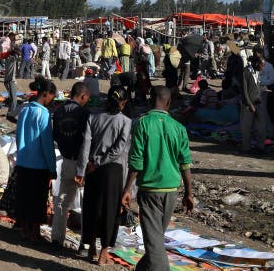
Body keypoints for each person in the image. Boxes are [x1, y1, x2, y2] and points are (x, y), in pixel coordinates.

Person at [122, 86, 194, 271]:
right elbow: (185, 164)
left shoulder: (142, 123)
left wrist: (127, 189)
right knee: (156, 240)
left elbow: (136, 162)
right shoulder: (179, 128)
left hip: (150, 190)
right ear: (169, 103)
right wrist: (189, 193)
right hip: (171, 191)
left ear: (149, 99)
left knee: (154, 243)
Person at [76, 86, 132, 264]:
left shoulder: (93, 117)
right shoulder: (125, 121)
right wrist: (100, 161)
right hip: (112, 171)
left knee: (92, 208)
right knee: (109, 211)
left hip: (93, 169)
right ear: (123, 103)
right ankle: (104, 252)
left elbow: (85, 145)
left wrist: (83, 168)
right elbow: (118, 149)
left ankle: (91, 245)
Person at [14, 76, 57, 243]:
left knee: (25, 198)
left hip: (24, 161)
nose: (52, 100)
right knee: (37, 200)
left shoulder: (25, 110)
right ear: (46, 94)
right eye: (52, 97)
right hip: (38, 165)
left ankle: (24, 230)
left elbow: (18, 136)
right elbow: (46, 144)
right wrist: (52, 167)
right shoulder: (43, 114)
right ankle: (34, 233)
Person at [51, 82, 91, 250]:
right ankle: (85, 244)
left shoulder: (58, 112)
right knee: (84, 204)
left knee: (62, 201)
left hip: (65, 160)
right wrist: (82, 169)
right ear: (82, 96)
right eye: (87, 98)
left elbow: (55, 136)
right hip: (81, 162)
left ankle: (57, 238)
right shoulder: (84, 114)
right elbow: (86, 142)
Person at [240, 55, 268, 154]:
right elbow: (244, 91)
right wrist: (249, 104)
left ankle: (260, 146)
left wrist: (263, 90)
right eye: (262, 65)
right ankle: (246, 148)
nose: (263, 67)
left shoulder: (257, 71)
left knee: (262, 126)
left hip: (258, 102)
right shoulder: (246, 72)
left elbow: (256, 85)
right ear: (256, 64)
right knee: (246, 127)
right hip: (248, 104)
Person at [3, 48, 19, 116]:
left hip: (8, 80)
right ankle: (11, 113)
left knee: (12, 98)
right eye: (17, 54)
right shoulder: (12, 59)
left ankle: (10, 112)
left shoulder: (8, 59)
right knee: (14, 99)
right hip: (10, 81)